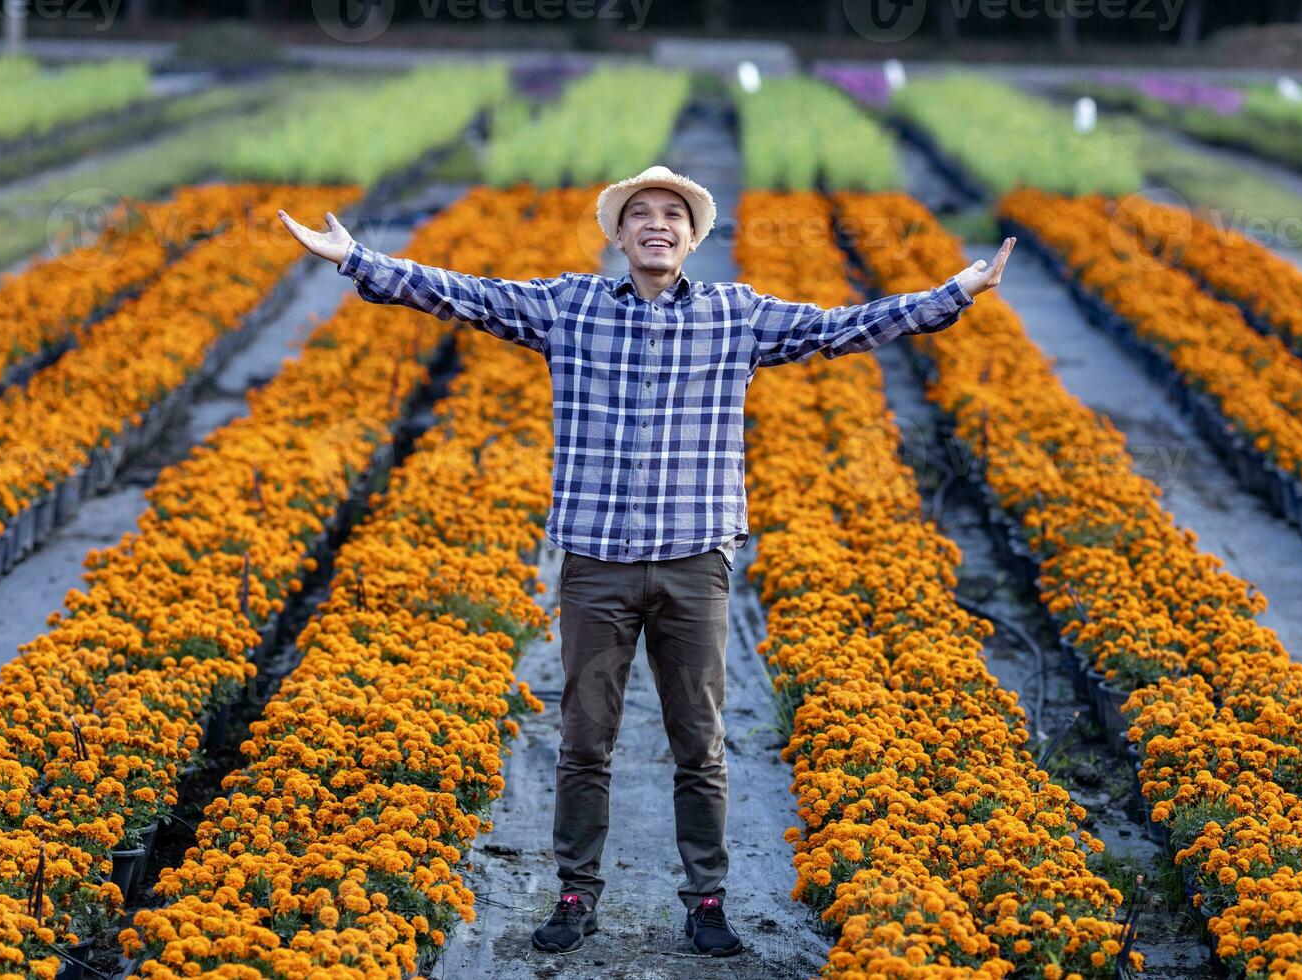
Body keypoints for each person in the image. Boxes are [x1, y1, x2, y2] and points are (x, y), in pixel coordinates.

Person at [277, 166, 1014, 958]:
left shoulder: (737, 314)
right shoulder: (570, 306)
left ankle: (705, 900)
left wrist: (954, 292)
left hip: (695, 563)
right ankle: (575, 892)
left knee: (699, 741)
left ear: (692, 237)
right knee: (584, 738)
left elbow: (846, 326)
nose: (656, 225)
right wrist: (356, 258)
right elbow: (464, 293)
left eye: (672, 215)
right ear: (619, 235)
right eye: (640, 215)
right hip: (596, 562)